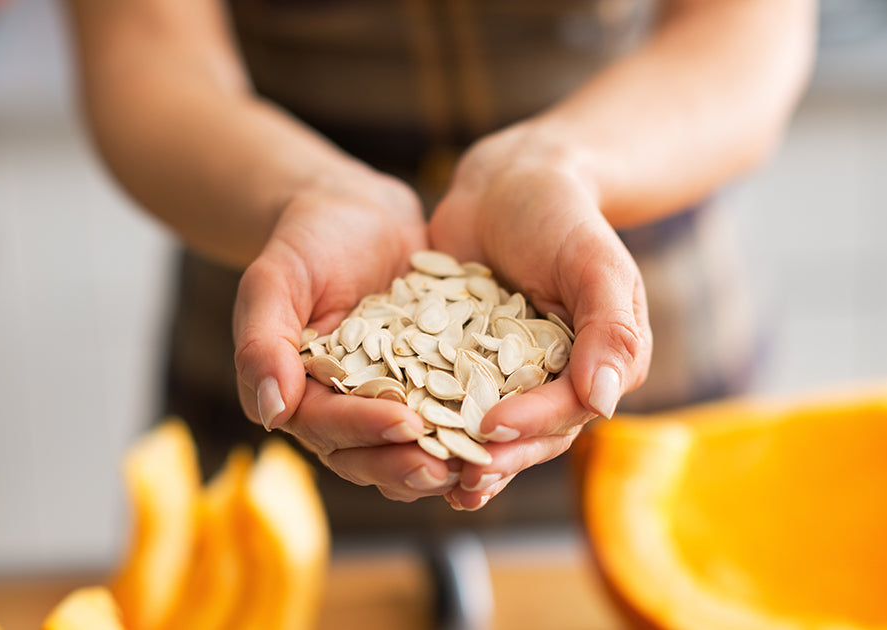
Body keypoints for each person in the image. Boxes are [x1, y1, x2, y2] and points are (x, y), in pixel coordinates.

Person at [65, 0, 816, 524]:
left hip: (637, 305)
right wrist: (308, 191)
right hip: (294, 302)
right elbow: (146, 52)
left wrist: (563, 164)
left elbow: (746, 22)